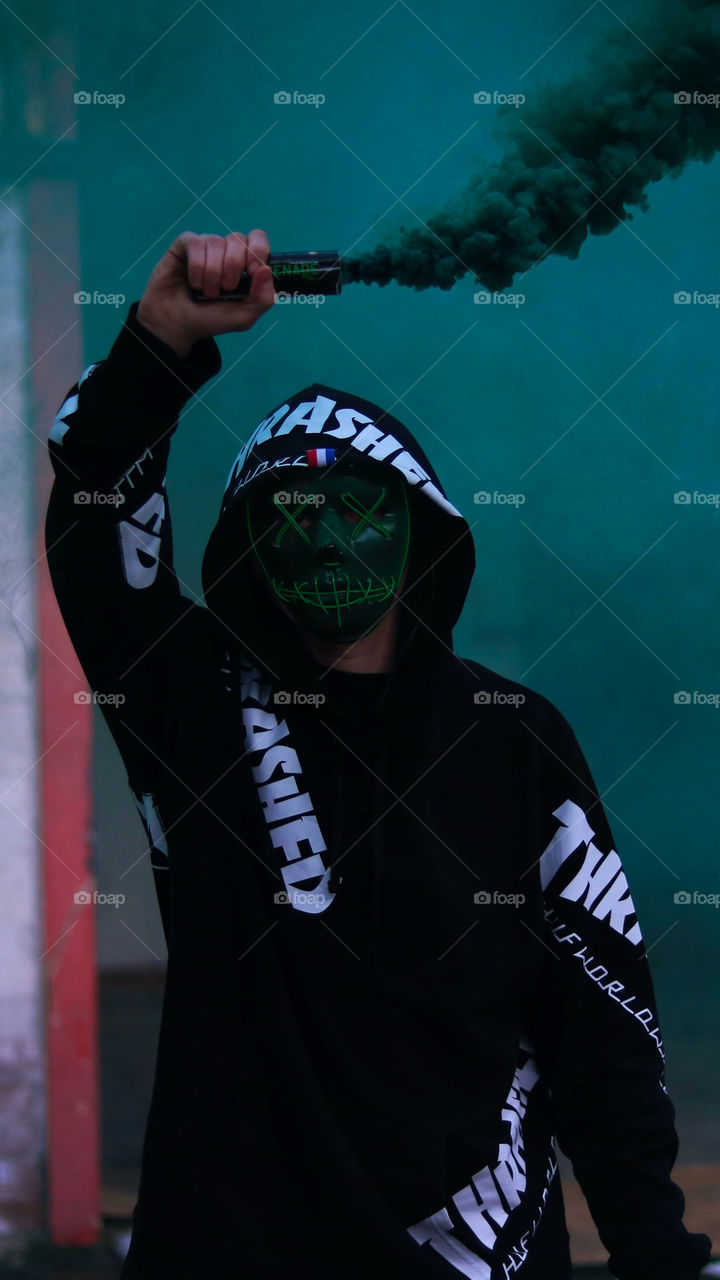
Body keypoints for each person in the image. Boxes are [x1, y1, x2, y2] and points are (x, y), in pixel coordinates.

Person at [45, 229, 712, 1280]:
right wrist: (161, 338)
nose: (325, 540)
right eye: (291, 514)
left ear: (420, 531)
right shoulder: (193, 705)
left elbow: (604, 1035)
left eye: (357, 510)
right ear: (249, 544)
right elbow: (97, 515)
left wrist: (660, 1255)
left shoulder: (514, 736)